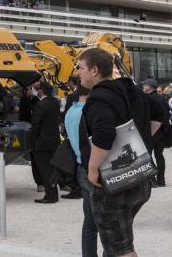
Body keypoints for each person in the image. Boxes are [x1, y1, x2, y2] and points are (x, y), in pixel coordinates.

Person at [78, 48, 158, 257]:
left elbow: (103, 135)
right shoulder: (133, 91)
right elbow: (159, 112)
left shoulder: (99, 98)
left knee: (121, 250)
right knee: (115, 246)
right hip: (140, 179)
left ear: (94, 70)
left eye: (81, 68)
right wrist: (141, 141)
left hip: (114, 186)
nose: (78, 72)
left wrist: (93, 169)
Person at [64, 82, 98, 257]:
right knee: (106, 221)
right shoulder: (91, 112)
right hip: (93, 167)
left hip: (79, 165)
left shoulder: (70, 111)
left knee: (89, 222)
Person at [30, 80, 60, 203]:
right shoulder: (55, 103)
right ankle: (54, 193)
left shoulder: (40, 105)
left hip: (42, 143)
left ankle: (50, 196)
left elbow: (36, 125)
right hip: (53, 141)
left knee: (45, 170)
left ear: (41, 91)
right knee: (52, 169)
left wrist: (32, 141)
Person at [142, 78, 168, 187]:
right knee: (159, 155)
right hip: (162, 131)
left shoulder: (147, 99)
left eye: (145, 85)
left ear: (150, 87)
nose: (143, 87)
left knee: (146, 155)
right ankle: (161, 180)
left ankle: (153, 178)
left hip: (152, 130)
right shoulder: (161, 98)